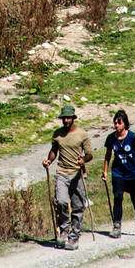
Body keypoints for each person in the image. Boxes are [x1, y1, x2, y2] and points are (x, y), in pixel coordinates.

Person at [43, 103, 93, 250]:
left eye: (68, 118)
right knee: (62, 201)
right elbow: (54, 150)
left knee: (78, 206)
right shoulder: (57, 134)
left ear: (73, 118)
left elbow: (90, 154)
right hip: (62, 173)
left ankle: (74, 236)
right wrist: (49, 161)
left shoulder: (82, 134)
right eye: (64, 118)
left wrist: (83, 159)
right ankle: (64, 229)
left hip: (77, 173)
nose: (66, 121)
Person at [102, 109, 135, 238]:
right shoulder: (111, 138)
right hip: (118, 172)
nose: (116, 125)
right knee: (118, 197)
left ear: (125, 124)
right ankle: (117, 226)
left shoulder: (133, 137)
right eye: (115, 123)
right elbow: (108, 155)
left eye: (119, 123)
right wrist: (105, 170)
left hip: (133, 172)